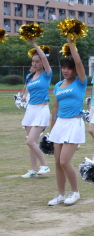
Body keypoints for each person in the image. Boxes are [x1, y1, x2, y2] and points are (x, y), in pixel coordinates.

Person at [47, 38, 87, 205]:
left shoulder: (80, 82)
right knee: (57, 162)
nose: (65, 70)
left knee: (64, 161)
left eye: (69, 68)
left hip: (74, 123)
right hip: (60, 124)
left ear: (75, 70)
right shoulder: (58, 85)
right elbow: (55, 108)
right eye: (63, 67)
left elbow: (78, 62)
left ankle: (75, 192)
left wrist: (71, 42)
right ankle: (60, 194)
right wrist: (52, 129)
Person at [21, 39, 52, 178]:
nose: (35, 64)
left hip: (41, 109)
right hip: (30, 110)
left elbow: (44, 58)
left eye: (37, 61)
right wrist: (23, 96)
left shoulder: (47, 74)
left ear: (42, 63)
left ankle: (44, 165)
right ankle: (33, 170)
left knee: (30, 141)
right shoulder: (30, 76)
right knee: (31, 142)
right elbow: (27, 89)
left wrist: (34, 44)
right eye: (33, 61)